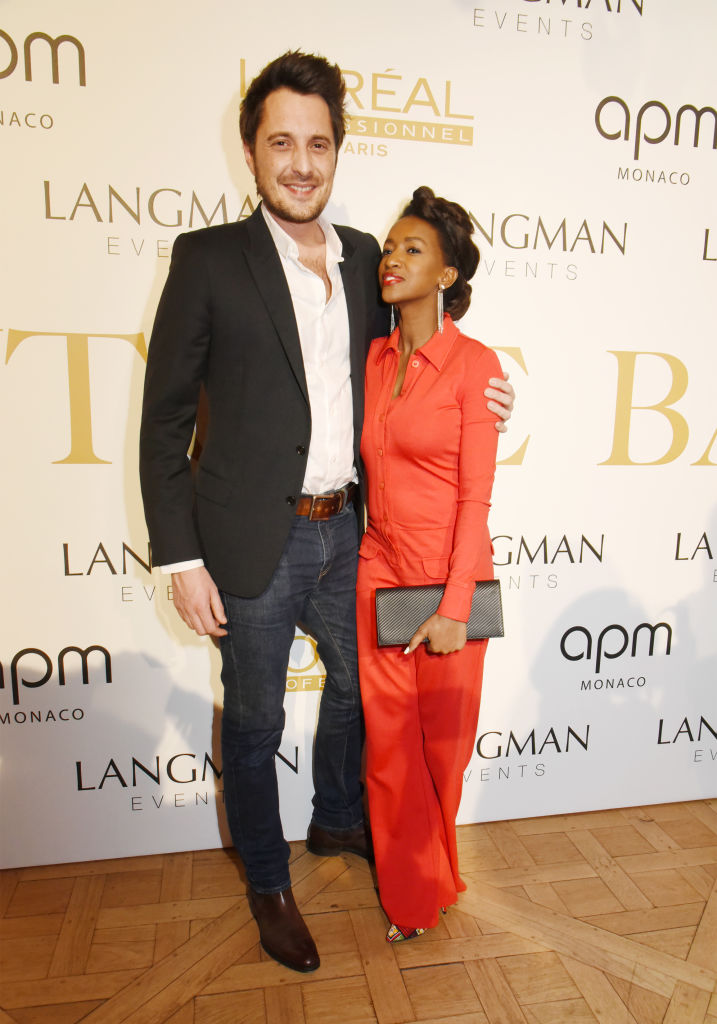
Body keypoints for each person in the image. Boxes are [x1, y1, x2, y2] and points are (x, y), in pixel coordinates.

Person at [139, 53, 515, 973]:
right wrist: (178, 558)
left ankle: (340, 820)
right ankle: (268, 881)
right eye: (280, 143)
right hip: (247, 539)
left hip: (354, 531)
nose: (300, 163)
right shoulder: (206, 259)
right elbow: (164, 420)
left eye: (317, 144)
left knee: (358, 695)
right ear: (250, 152)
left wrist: (491, 395)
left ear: (337, 152)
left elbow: (424, 364)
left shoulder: (363, 258)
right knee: (259, 720)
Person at [356, 186, 501, 941]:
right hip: (377, 574)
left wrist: (454, 606)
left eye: (413, 249)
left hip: (450, 582)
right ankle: (412, 900)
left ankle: (439, 869)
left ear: (446, 276)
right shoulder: (376, 359)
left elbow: (476, 500)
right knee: (388, 749)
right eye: (388, 246)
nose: (392, 258)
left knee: (441, 753)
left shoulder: (476, 367)